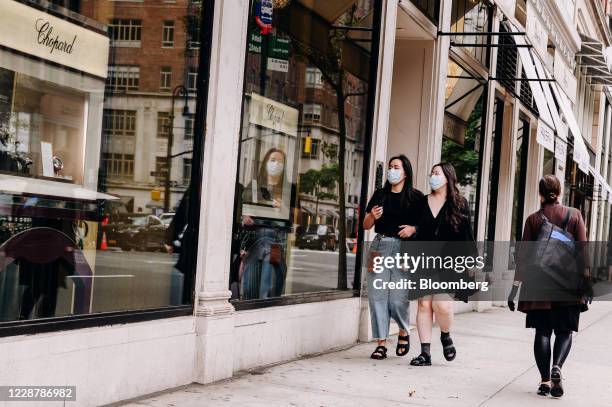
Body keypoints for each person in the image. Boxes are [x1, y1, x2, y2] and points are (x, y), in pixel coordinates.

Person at [508, 175, 589, 398]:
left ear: (540, 193)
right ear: (559, 192)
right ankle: (558, 367)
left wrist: (514, 289)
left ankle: (545, 381)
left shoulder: (533, 219)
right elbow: (583, 252)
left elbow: (523, 258)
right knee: (565, 331)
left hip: (539, 286)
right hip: (569, 285)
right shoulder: (574, 215)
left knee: (542, 333)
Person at [409, 162, 475, 366]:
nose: (433, 176)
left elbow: (467, 235)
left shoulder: (460, 203)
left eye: (437, 173)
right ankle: (425, 353)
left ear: (447, 177)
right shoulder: (421, 202)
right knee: (423, 304)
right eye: (431, 173)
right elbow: (414, 231)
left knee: (442, 305)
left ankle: (445, 336)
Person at [363, 155, 423, 360]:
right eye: (390, 167)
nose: (392, 171)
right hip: (378, 246)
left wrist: (413, 228)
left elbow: (426, 226)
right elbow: (366, 225)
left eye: (396, 167)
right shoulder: (380, 195)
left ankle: (404, 331)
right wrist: (372, 216)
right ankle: (381, 343)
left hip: (403, 250)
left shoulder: (416, 197)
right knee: (377, 295)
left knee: (398, 298)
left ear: (405, 172)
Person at [237, 148, 288, 299]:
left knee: (268, 291)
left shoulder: (287, 190)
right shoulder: (253, 187)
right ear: (265, 162)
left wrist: (283, 209)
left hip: (275, 243)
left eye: (280, 162)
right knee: (249, 291)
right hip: (253, 241)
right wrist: (243, 245)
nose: (276, 164)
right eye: (272, 160)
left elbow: (292, 221)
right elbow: (242, 216)